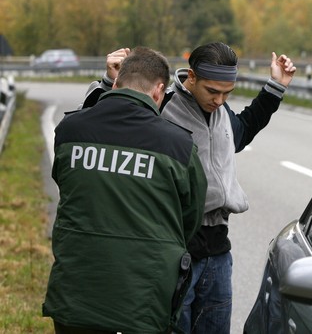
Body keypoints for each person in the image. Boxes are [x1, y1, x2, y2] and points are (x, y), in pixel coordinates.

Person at [82, 42, 296, 334]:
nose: (220, 100)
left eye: (226, 93)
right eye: (213, 91)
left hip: (218, 251)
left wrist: (275, 88)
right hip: (173, 249)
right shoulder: (162, 105)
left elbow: (241, 133)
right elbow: (104, 127)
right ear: (192, 77)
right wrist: (109, 83)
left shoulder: (220, 111)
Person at [43, 47, 208, 333]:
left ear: (116, 83)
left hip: (75, 295)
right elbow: (190, 218)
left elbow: (65, 182)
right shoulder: (178, 146)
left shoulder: (70, 130)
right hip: (143, 301)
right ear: (159, 91)